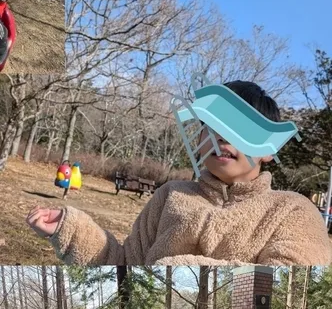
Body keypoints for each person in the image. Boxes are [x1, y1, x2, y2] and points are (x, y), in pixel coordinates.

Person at [27, 81, 332, 266]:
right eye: (210, 125)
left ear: (268, 148)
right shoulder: (170, 196)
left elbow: (272, 282)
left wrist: (166, 269)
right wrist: (71, 229)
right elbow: (125, 265)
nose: (220, 137)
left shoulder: (294, 211)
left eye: (240, 129)